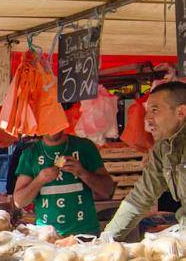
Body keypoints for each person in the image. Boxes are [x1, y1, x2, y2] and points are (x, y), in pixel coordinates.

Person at [102, 81, 186, 239]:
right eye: (147, 111)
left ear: (180, 112)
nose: (147, 118)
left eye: (155, 110)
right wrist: (105, 240)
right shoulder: (162, 149)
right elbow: (140, 197)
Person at [13, 127, 114, 237]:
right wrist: (39, 180)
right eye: (47, 122)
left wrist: (82, 172)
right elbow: (19, 201)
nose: (51, 127)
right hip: (46, 235)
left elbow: (107, 190)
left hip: (85, 234)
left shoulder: (85, 147)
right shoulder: (31, 153)